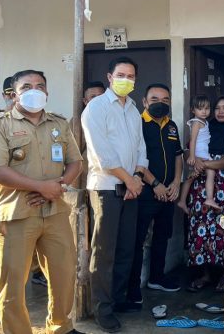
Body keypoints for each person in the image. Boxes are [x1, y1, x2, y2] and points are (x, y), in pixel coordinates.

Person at [0, 70, 83, 334]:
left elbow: (75, 162)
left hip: (55, 210)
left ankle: (60, 326)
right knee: (13, 282)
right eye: (26, 86)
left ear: (47, 92)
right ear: (14, 95)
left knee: (64, 274)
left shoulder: (59, 123)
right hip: (16, 214)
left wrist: (58, 186)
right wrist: (41, 187)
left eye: (40, 85)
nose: (34, 90)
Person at [82, 57, 147, 332]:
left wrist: (138, 178)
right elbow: (103, 154)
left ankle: (117, 299)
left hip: (131, 189)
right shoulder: (95, 108)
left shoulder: (133, 109)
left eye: (131, 76)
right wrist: (129, 180)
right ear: (110, 77)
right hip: (106, 189)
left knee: (125, 249)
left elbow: (141, 147)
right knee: (104, 252)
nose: (126, 80)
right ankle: (102, 309)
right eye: (121, 74)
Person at [0, 76, 47, 300]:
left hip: (36, 185)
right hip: (4, 187)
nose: (12, 96)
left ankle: (37, 270)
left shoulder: (41, 119)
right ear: (7, 95)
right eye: (8, 93)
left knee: (38, 226)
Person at [127, 83, 183, 304]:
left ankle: (156, 278)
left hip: (168, 192)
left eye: (165, 100)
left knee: (163, 235)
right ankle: (132, 289)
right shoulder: (137, 124)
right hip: (145, 192)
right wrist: (156, 184)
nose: (160, 103)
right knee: (138, 239)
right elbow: (137, 159)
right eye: (155, 99)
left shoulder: (172, 126)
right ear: (144, 102)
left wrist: (176, 183)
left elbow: (178, 156)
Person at [186, 96, 224, 293]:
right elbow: (190, 148)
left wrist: (205, 164)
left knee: (223, 226)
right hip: (201, 184)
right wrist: (196, 160)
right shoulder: (205, 127)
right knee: (202, 225)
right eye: (217, 108)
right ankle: (205, 273)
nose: (221, 112)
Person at [177, 95, 218, 213]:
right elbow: (193, 140)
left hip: (202, 153)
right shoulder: (196, 123)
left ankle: (182, 201)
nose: (204, 111)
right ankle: (209, 199)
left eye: (207, 108)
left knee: (192, 177)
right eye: (200, 109)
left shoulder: (204, 122)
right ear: (193, 110)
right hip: (199, 154)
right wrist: (192, 156)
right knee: (210, 172)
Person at [70, 81, 106, 190]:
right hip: (85, 179)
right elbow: (72, 154)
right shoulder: (77, 121)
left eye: (100, 96)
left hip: (112, 177)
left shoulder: (115, 118)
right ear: (85, 101)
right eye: (93, 97)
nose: (97, 100)